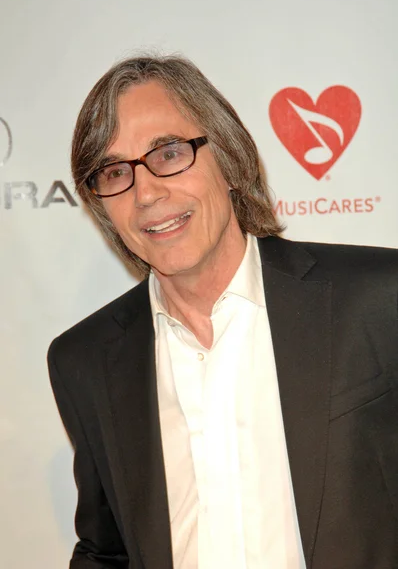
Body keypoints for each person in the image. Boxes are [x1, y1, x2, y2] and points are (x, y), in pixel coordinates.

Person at [48, 55, 398, 569]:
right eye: (115, 171)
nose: (146, 192)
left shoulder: (377, 299)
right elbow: (106, 551)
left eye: (168, 153)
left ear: (230, 159)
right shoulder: (83, 361)